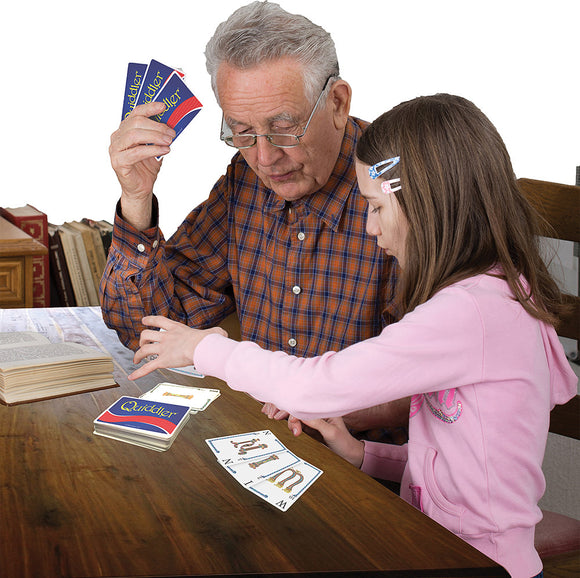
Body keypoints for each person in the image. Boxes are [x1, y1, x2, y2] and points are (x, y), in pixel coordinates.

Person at [128, 94, 578, 578]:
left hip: (478, 562)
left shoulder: (472, 313)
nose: (369, 227)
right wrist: (364, 454)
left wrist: (203, 347)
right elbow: (452, 463)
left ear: (426, 206)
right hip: (433, 541)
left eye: (376, 207)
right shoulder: (485, 300)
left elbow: (318, 385)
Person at [102, 0, 408, 433]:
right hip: (259, 444)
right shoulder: (244, 181)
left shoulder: (404, 189)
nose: (265, 158)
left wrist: (311, 404)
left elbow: (435, 386)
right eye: (241, 132)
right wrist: (136, 199)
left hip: (373, 474)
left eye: (285, 128)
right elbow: (150, 333)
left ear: (337, 103)